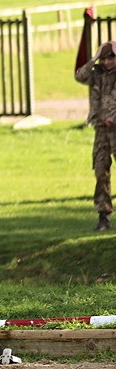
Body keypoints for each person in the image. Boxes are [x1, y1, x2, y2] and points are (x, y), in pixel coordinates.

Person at [75, 39, 116, 230]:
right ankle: (103, 214)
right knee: (101, 170)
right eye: (105, 59)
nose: (107, 63)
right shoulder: (96, 74)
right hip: (101, 131)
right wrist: (95, 56)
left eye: (111, 58)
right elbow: (79, 76)